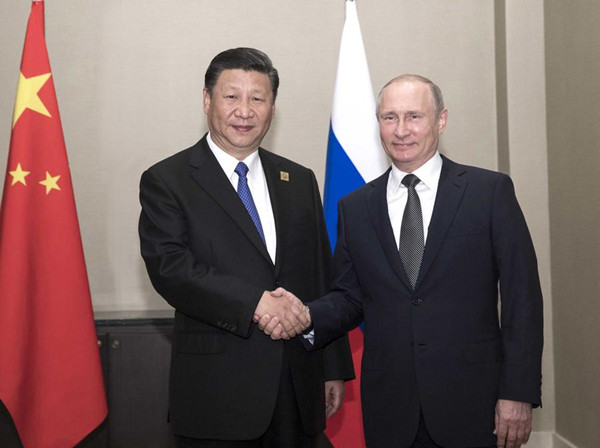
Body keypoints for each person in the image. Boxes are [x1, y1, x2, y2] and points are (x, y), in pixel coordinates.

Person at [258, 74, 543, 448]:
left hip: (475, 402)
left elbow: (523, 299)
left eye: (414, 116)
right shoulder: (356, 208)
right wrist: (307, 315)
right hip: (391, 407)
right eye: (389, 117)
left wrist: (517, 392)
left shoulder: (488, 193)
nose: (401, 130)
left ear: (440, 120)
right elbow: (350, 297)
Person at [138, 47, 354, 448]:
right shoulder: (168, 179)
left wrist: (333, 366)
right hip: (217, 395)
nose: (245, 110)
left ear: (272, 106)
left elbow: (322, 274)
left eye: (258, 98)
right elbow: (171, 268)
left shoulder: (299, 179)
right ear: (207, 100)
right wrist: (256, 302)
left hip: (298, 387)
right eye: (231, 96)